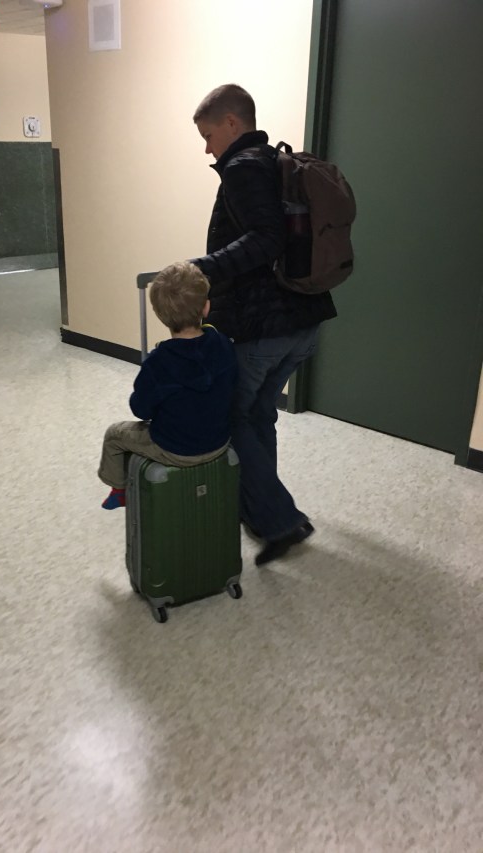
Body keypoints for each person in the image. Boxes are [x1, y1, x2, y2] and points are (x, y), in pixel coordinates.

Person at [190, 83, 337, 564]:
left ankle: (278, 519)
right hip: (301, 321)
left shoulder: (242, 168)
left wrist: (203, 269)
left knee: (231, 419)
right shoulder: (275, 161)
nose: (206, 147)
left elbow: (267, 239)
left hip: (264, 328)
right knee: (259, 415)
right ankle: (264, 512)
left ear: (232, 124)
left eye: (208, 134)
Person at [98, 261, 237, 509]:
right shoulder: (223, 344)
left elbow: (140, 410)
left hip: (175, 449)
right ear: (206, 308)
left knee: (115, 435)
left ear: (161, 316)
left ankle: (119, 490)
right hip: (220, 442)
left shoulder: (158, 362)